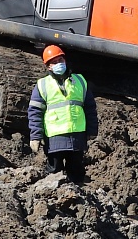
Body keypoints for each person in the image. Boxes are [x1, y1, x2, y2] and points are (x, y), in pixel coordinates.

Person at [28, 45, 98, 184]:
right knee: (54, 171)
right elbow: (35, 112)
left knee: (77, 172)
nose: (59, 64)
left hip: (77, 136)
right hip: (55, 138)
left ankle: (79, 200)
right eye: (54, 62)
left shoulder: (80, 81)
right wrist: (35, 136)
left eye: (61, 60)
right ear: (48, 67)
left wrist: (92, 130)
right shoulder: (42, 85)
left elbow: (90, 108)